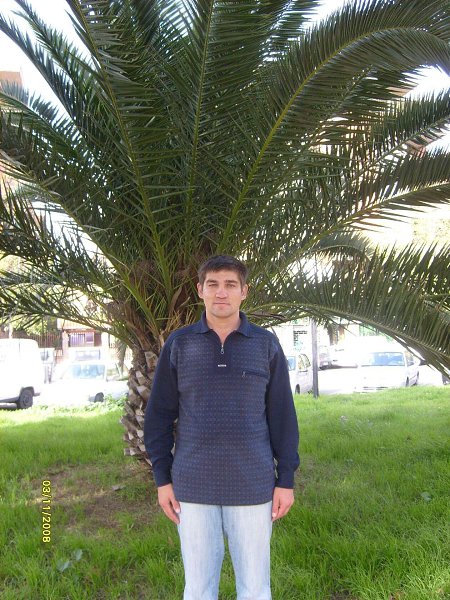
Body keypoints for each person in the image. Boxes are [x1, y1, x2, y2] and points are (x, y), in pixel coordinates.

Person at [144, 255, 300, 600]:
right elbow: (158, 417)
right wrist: (162, 479)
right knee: (198, 588)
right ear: (200, 290)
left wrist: (285, 479)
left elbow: (283, 417)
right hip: (192, 486)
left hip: (253, 484)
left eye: (230, 284)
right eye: (212, 284)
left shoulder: (266, 345)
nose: (221, 293)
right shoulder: (179, 344)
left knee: (255, 588)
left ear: (244, 291)